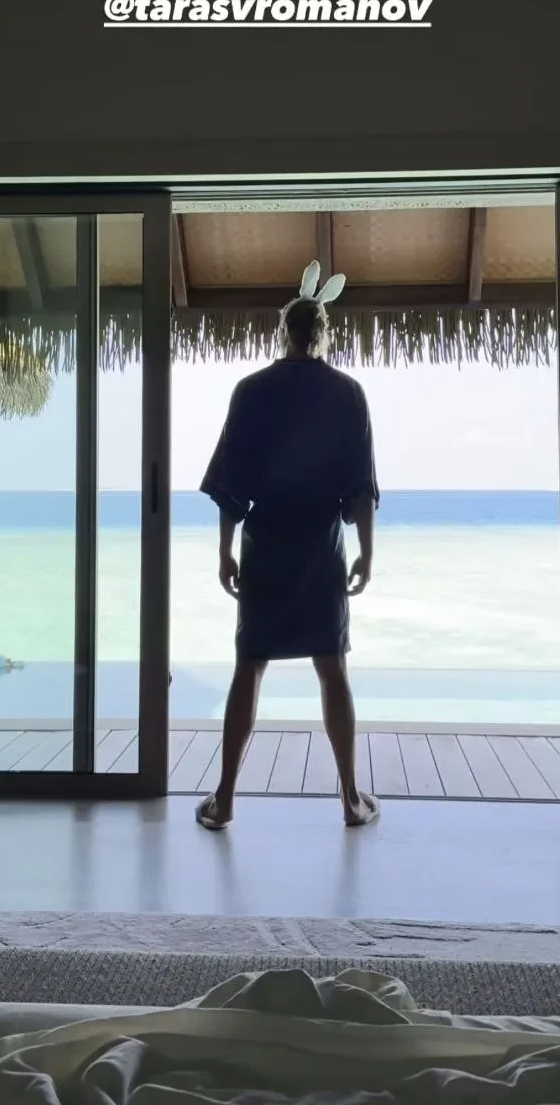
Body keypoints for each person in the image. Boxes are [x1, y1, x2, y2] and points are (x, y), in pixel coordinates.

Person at [196, 260, 380, 831]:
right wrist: (366, 552)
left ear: (283, 334)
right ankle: (349, 799)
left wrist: (224, 551)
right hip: (321, 546)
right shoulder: (347, 393)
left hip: (267, 544)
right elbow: (360, 488)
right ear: (323, 336)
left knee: (249, 667)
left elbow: (231, 483)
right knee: (332, 668)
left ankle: (225, 798)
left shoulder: (251, 391)